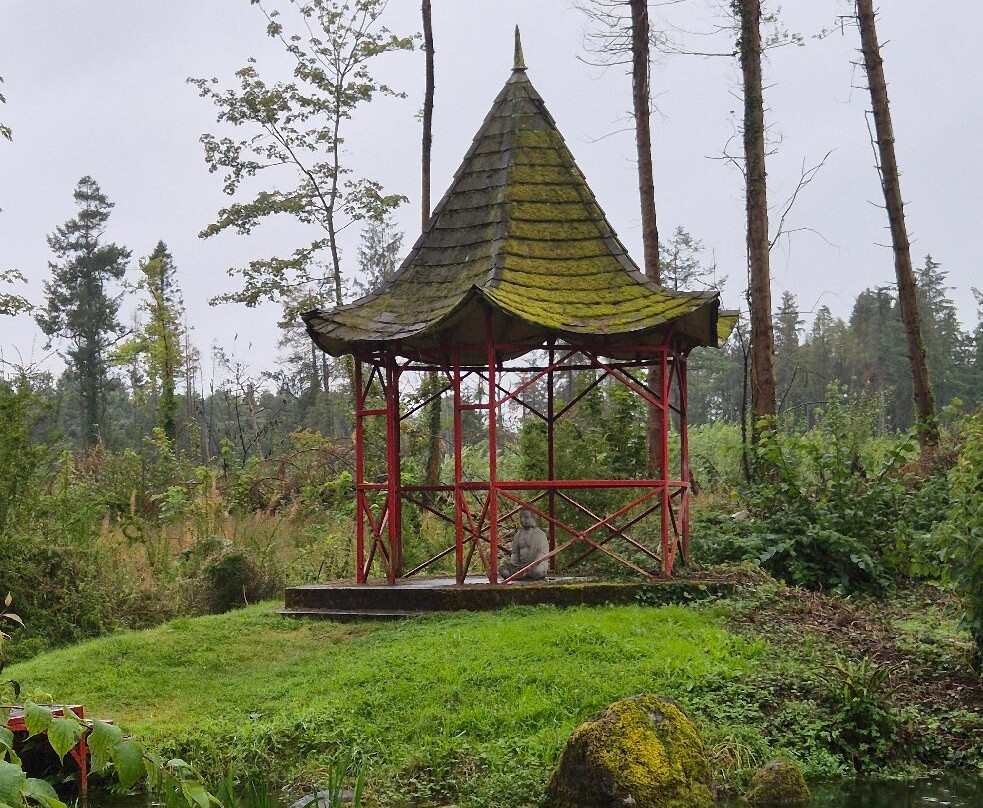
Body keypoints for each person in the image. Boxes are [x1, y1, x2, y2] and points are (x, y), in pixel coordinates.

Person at [498, 508, 550, 581]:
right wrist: (515, 564)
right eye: (521, 517)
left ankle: (521, 574)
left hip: (534, 566)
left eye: (526, 517)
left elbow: (539, 554)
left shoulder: (540, 534)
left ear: (533, 517)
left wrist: (528, 566)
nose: (522, 520)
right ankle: (521, 574)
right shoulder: (518, 535)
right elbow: (515, 553)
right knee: (502, 568)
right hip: (518, 566)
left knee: (537, 571)